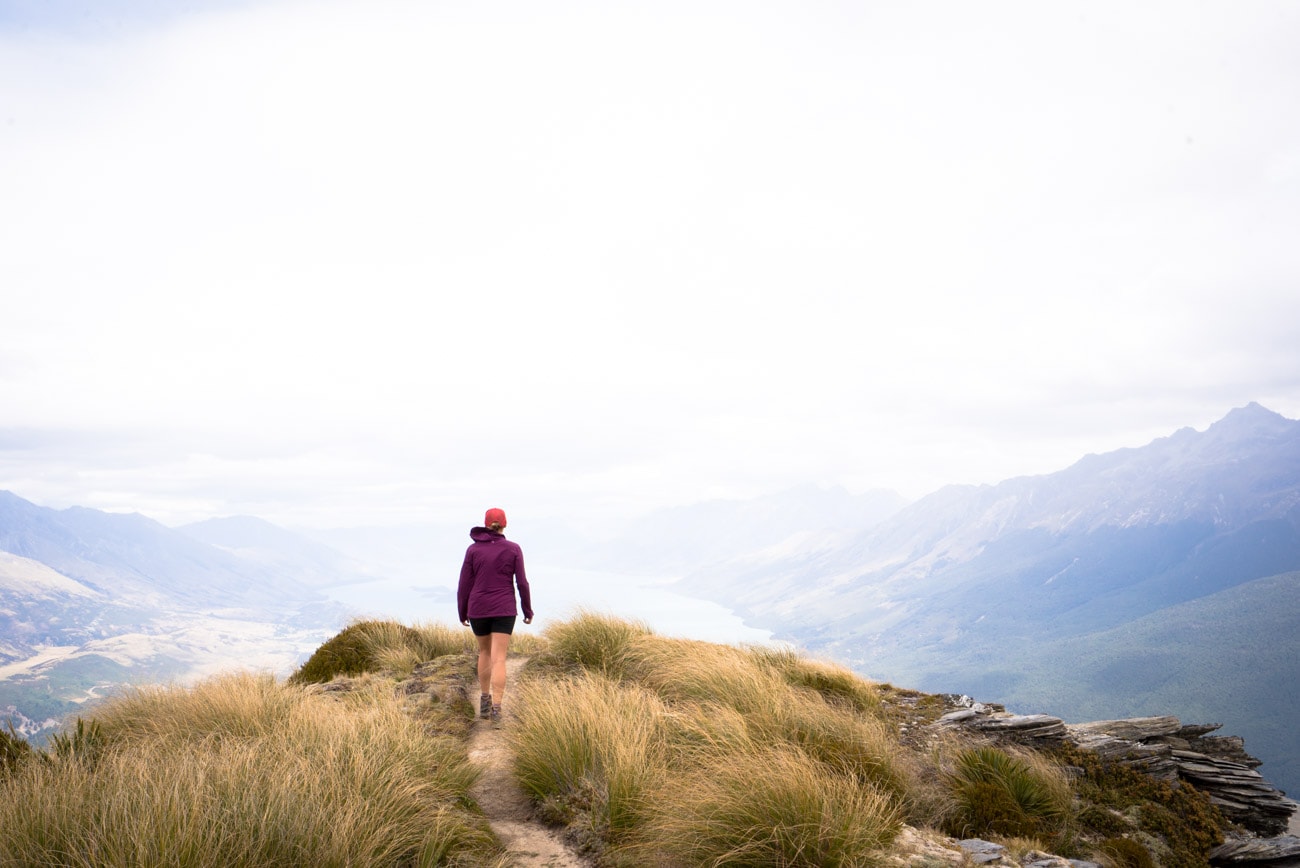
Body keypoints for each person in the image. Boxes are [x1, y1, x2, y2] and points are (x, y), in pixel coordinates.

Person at [457, 507, 533, 724]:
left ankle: (484, 701)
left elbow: (464, 584)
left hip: (478, 608)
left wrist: (462, 611)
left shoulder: (473, 551)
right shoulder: (513, 549)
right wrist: (528, 610)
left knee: (484, 652)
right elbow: (522, 583)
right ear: (505, 524)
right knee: (499, 657)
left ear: (485, 524)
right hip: (504, 608)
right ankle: (497, 709)